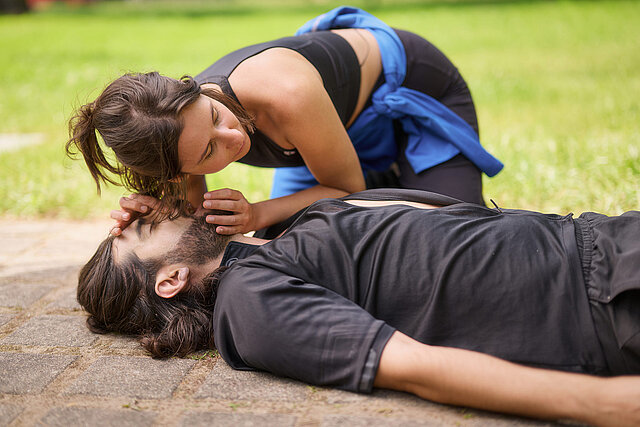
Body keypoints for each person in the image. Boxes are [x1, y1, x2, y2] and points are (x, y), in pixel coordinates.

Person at [77, 189, 639, 426]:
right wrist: (606, 406)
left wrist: (160, 198)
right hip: (596, 300)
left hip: (601, 242)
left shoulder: (265, 243)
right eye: (147, 227)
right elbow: (418, 369)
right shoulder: (250, 305)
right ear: (171, 280)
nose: (157, 210)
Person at [66, 7, 503, 239]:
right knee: (287, 244)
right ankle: (395, 180)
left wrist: (257, 212)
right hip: (326, 134)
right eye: (208, 153)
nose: (233, 136)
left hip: (415, 89)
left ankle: (400, 176)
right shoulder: (176, 139)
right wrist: (156, 217)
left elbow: (347, 190)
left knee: (453, 233)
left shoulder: (285, 92)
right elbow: (195, 217)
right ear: (182, 170)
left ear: (193, 92)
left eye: (216, 115)